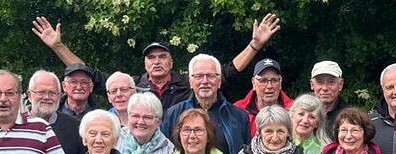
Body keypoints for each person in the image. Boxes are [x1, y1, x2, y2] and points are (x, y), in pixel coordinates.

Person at [33, 14, 281, 111]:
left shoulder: (189, 83)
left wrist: (255, 45)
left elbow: (228, 72)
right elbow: (88, 74)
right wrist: (58, 46)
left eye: (162, 56)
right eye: (151, 57)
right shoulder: (131, 87)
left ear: (171, 61)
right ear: (145, 64)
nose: (157, 61)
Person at [161, 54, 250, 154]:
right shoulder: (173, 115)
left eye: (210, 76)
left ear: (219, 81)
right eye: (198, 76)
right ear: (190, 82)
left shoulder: (239, 116)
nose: (205, 81)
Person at [234, 58, 293, 136]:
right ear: (254, 83)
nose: (269, 86)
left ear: (280, 83)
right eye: (263, 81)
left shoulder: (294, 110)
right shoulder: (237, 110)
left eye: (274, 80)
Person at [309, 61, 347, 137]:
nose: (325, 88)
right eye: (320, 82)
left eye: (331, 82)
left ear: (340, 84)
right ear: (312, 84)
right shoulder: (300, 114)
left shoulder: (349, 115)